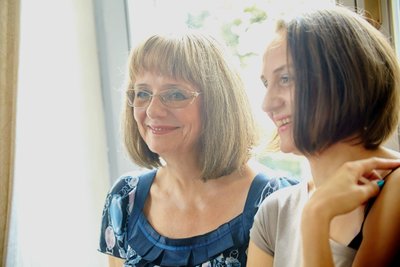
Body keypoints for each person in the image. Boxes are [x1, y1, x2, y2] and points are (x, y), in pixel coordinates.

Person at [98, 31, 297, 266]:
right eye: (143, 93)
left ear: (217, 103)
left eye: (174, 94)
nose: (152, 111)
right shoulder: (124, 199)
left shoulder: (278, 199)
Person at [247, 5, 400, 267]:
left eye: (285, 78)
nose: (267, 104)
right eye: (265, 83)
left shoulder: (395, 188)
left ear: (344, 80)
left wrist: (316, 218)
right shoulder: (275, 211)